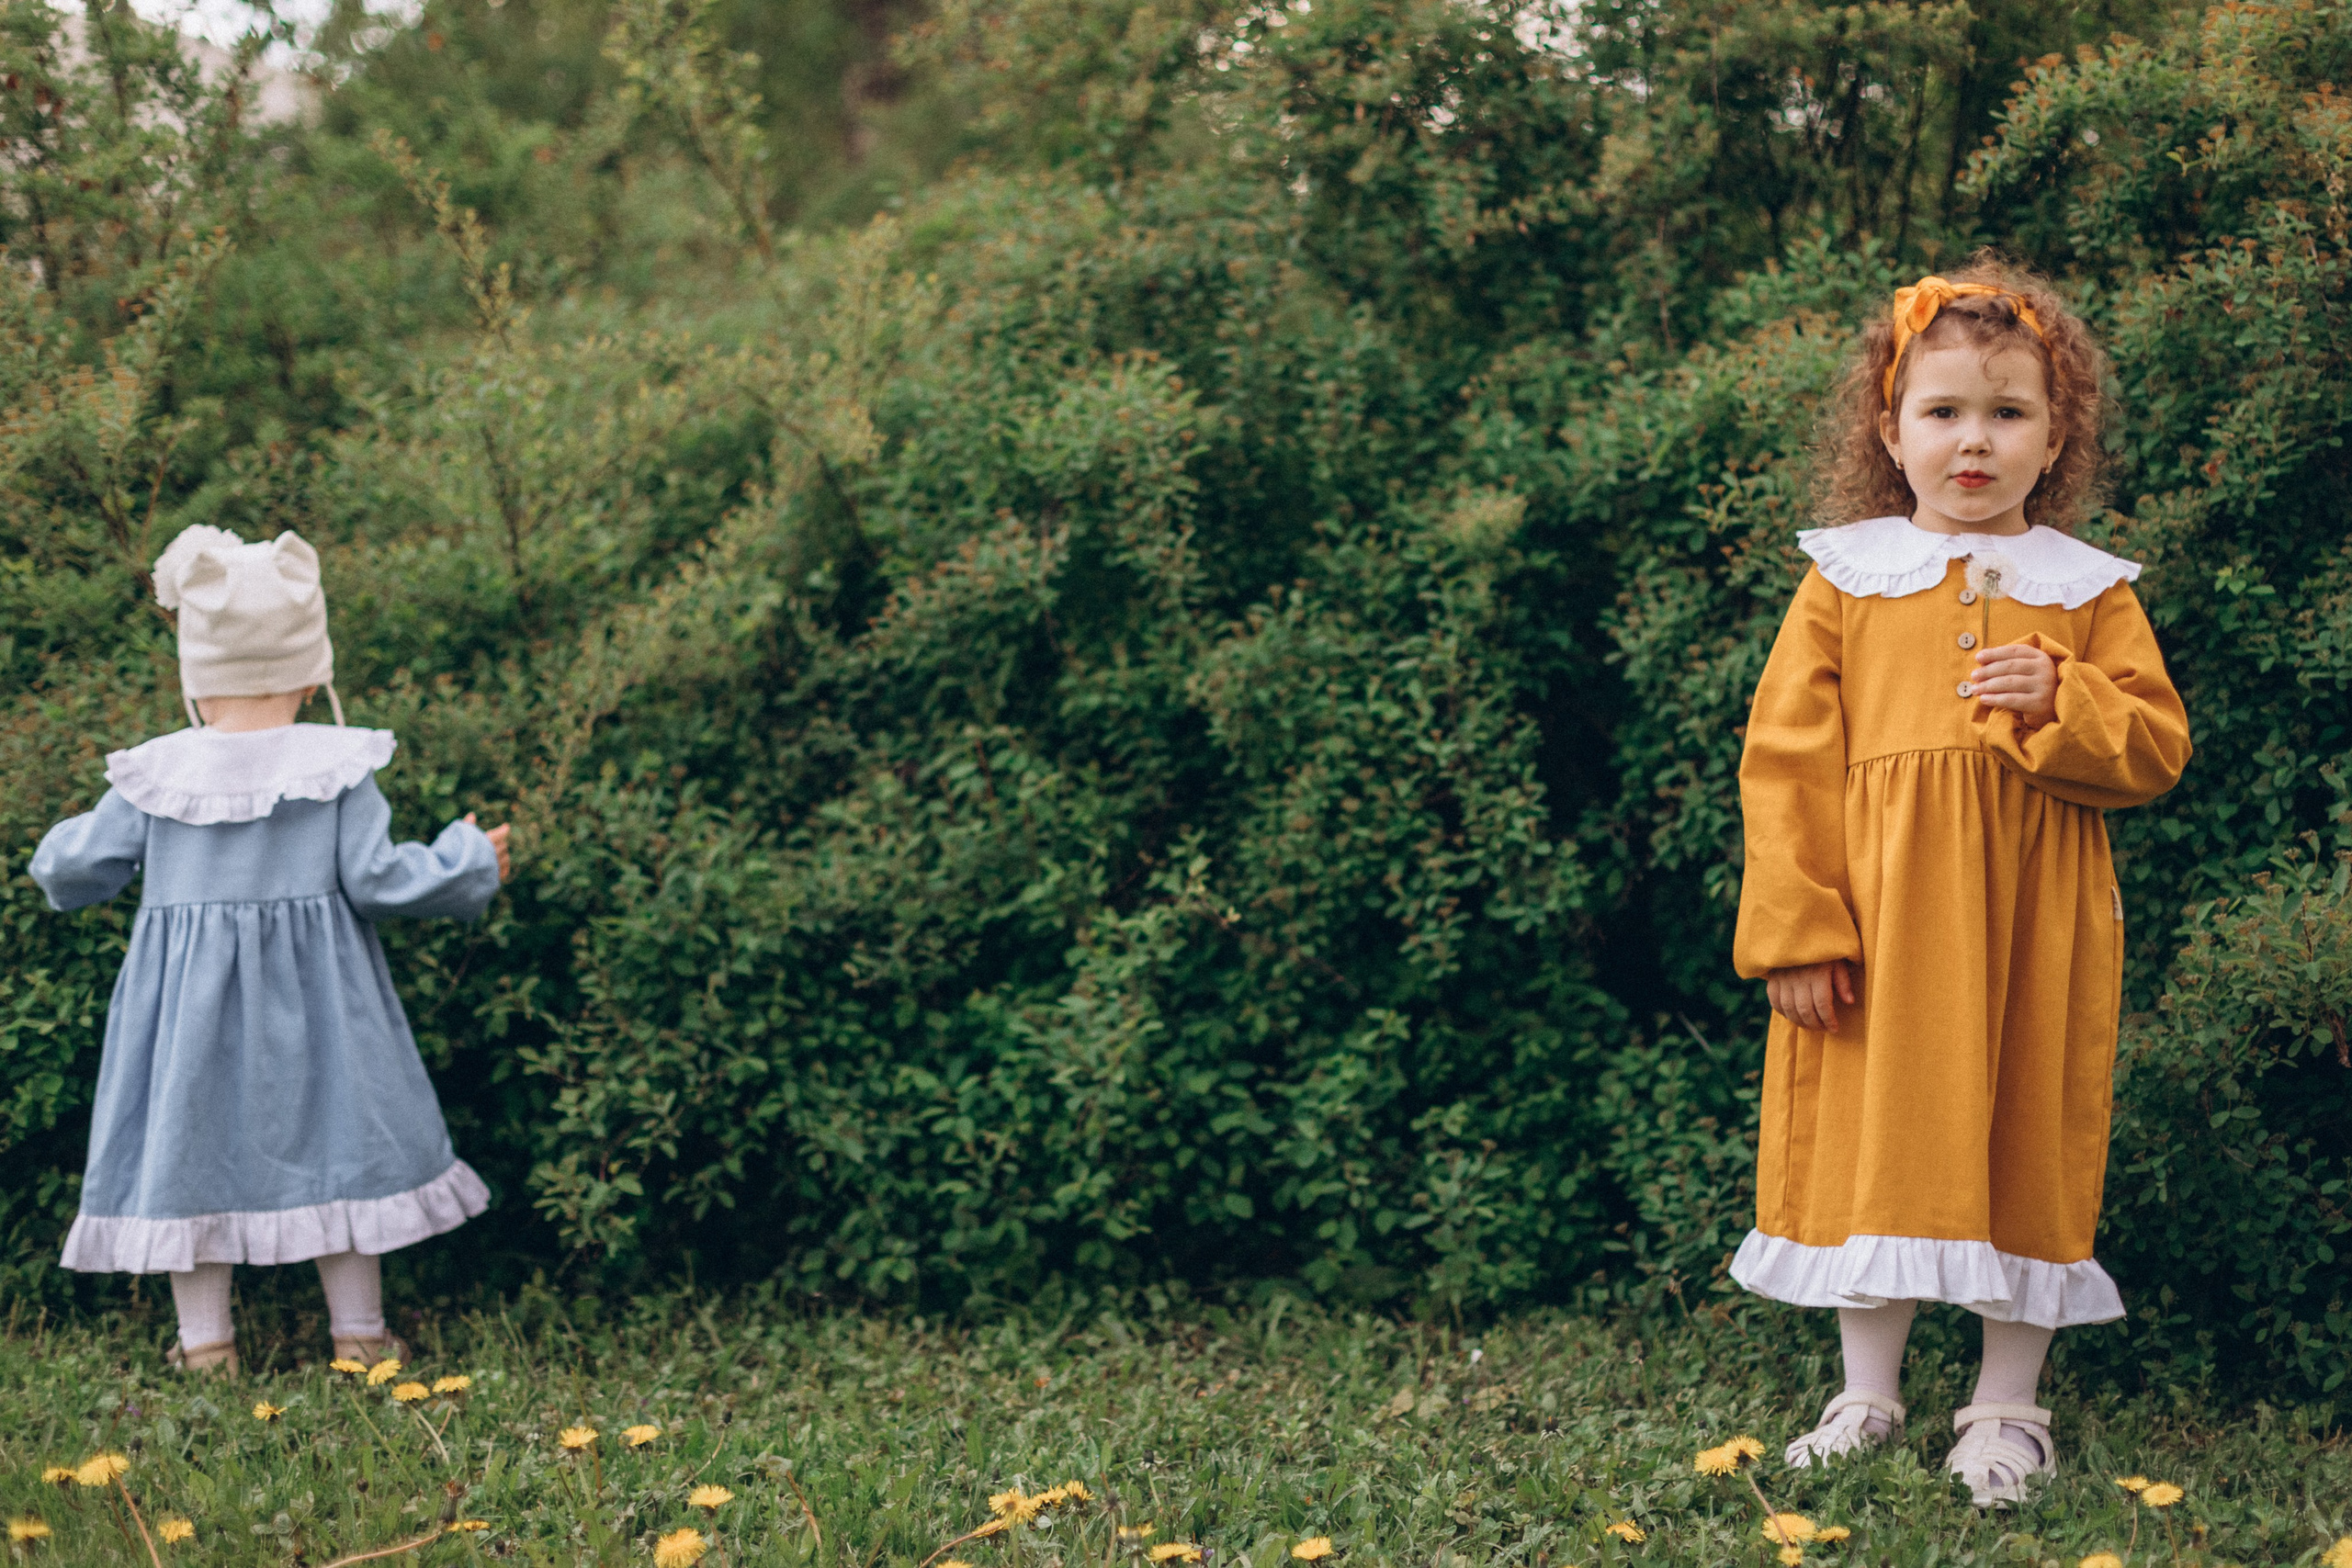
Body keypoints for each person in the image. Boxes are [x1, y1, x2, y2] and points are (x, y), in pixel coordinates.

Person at [1728, 261, 2191, 1505]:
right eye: (1942, 412)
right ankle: (1866, 1390)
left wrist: (2067, 697)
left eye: (2007, 412)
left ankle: (2004, 1405)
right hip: (1876, 918)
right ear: (1890, 430)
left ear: (2056, 436)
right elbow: (1783, 764)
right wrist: (1797, 928)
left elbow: (2154, 748)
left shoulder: (2086, 590)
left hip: (2031, 917)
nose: (1972, 440)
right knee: (1873, 1134)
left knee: (2021, 1124)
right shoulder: (1847, 576)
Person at [30, 525, 511, 1375]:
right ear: (311, 667)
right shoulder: (335, 768)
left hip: (187, 1017)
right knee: (344, 1143)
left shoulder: (157, 774)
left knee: (187, 1150)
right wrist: (468, 858)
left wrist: (57, 849)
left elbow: (81, 870)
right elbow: (382, 881)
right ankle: (360, 1337)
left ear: (196, 672)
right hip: (323, 1006)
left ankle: (206, 1346)